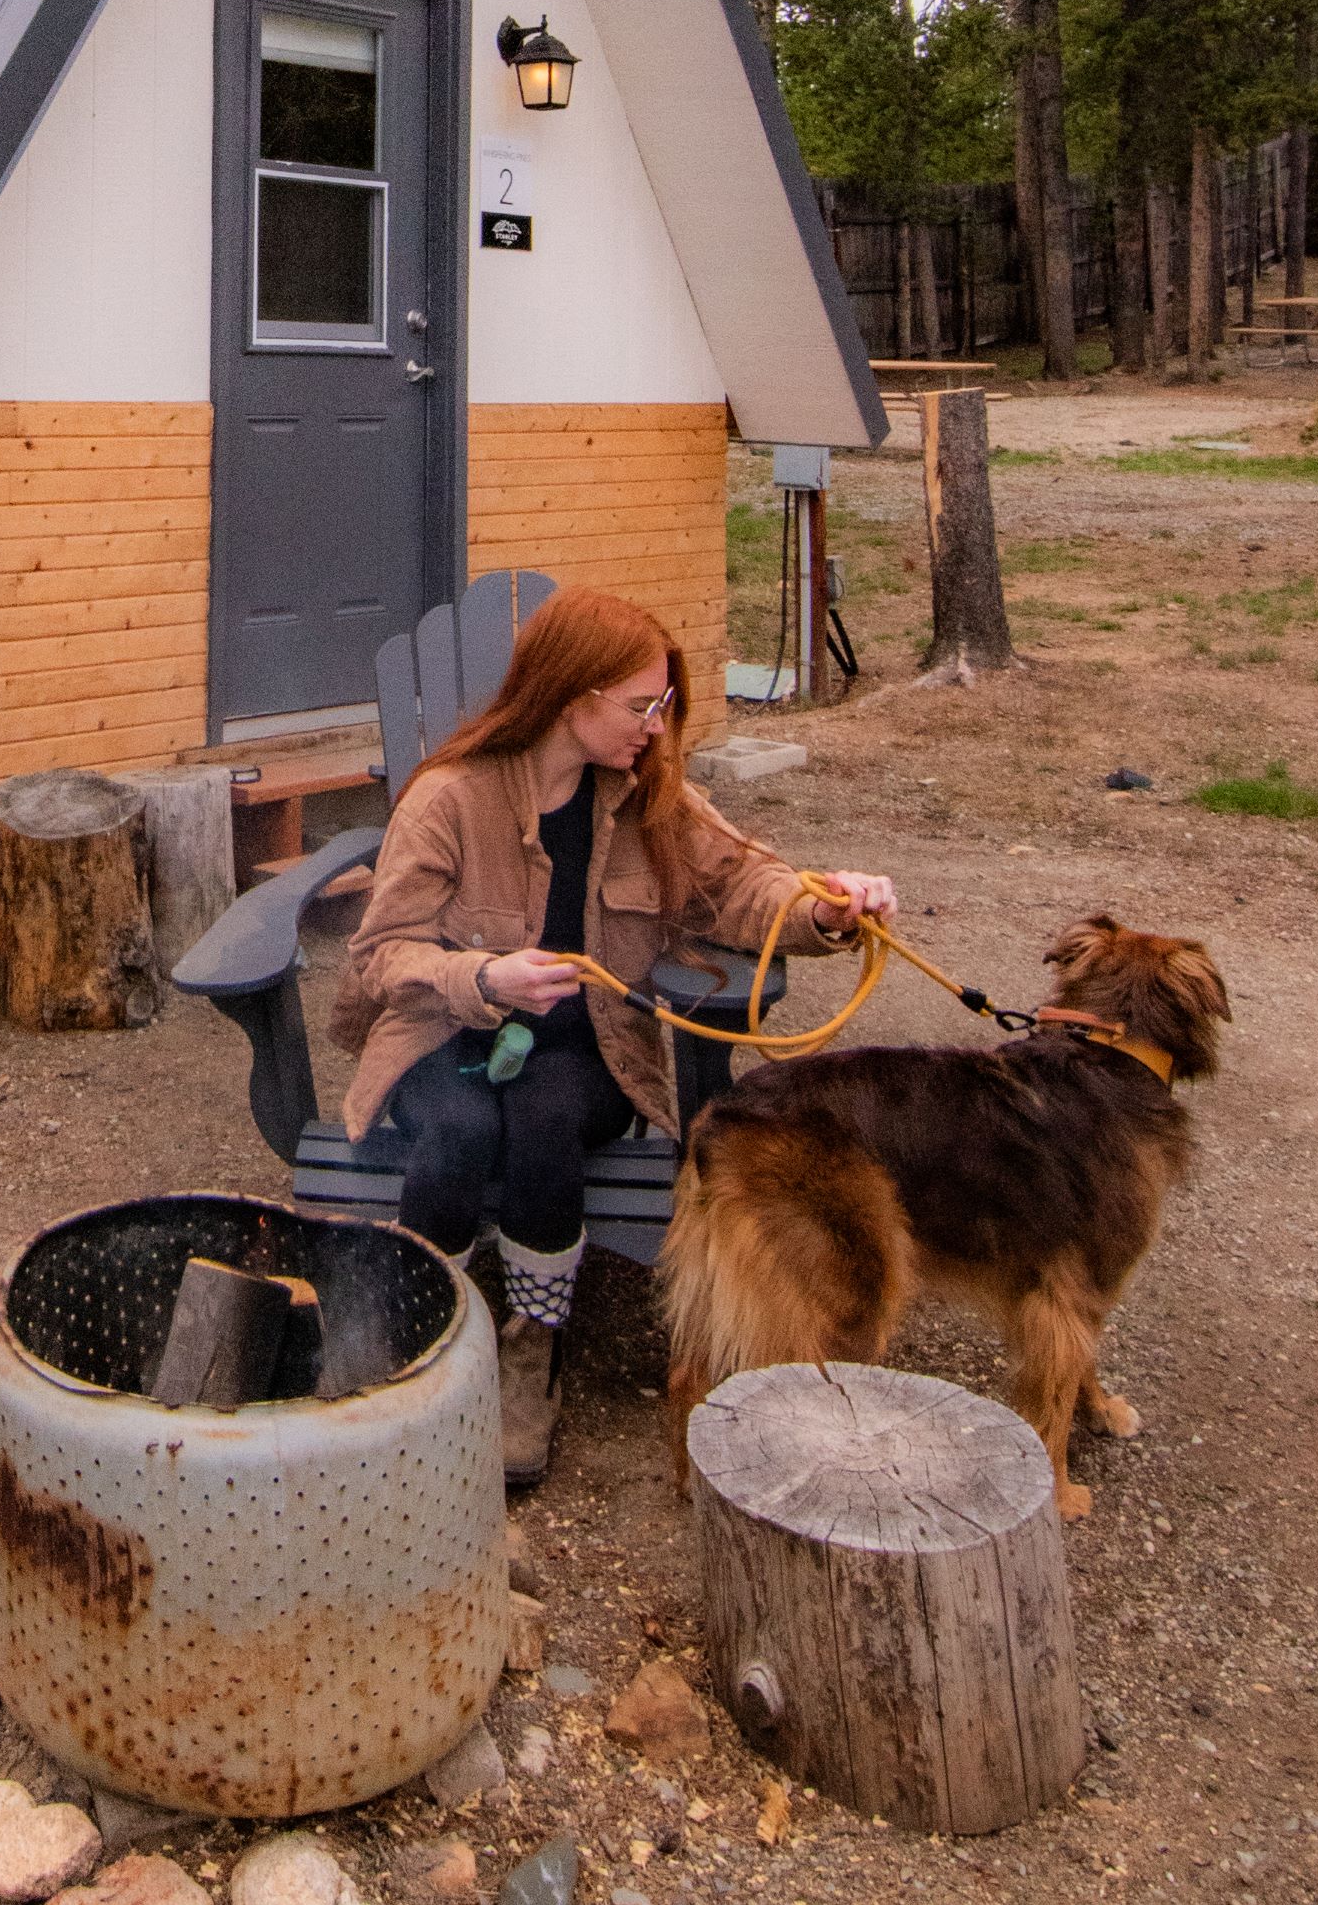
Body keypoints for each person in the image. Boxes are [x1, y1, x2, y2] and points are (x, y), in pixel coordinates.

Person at [331, 585, 898, 1483]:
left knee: (547, 1116)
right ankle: (424, 1336)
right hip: (442, 1036)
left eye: (663, 704)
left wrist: (827, 909)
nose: (656, 727)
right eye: (641, 706)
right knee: (459, 1130)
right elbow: (380, 955)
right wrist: (482, 978)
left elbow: (745, 885)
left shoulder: (651, 800)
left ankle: (532, 1346)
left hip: (586, 1048)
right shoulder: (449, 799)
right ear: (573, 697)